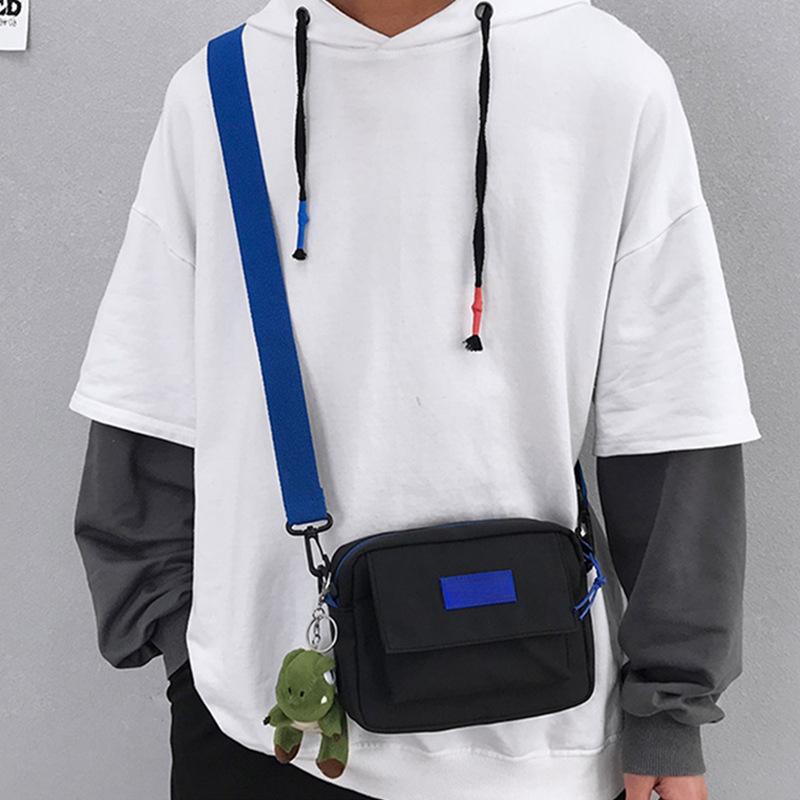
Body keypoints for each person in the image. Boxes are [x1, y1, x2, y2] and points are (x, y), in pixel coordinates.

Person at [70, 1, 760, 799]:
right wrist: (184, 652)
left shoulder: (611, 78)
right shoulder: (219, 88)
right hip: (265, 727)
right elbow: (148, 407)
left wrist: (670, 708)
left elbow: (673, 416)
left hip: (541, 745)